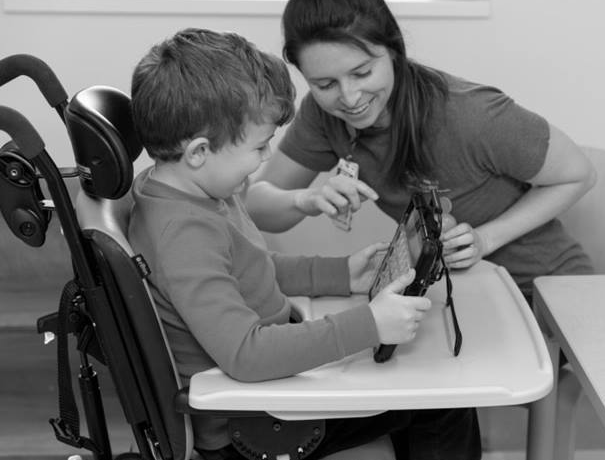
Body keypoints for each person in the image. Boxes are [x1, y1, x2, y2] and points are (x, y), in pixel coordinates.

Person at [127, 28, 481, 460]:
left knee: (422, 387)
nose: (264, 160)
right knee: (443, 402)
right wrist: (368, 324)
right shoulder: (183, 235)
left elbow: (250, 267)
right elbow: (246, 354)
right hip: (256, 424)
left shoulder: (187, 191)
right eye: (259, 147)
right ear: (200, 151)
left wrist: (339, 274)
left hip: (267, 393)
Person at [248, 0, 597, 300]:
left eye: (363, 72)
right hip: (468, 296)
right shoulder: (322, 115)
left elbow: (579, 174)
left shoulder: (469, 114)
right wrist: (305, 200)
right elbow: (255, 206)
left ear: (394, 51)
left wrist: (485, 239)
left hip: (551, 292)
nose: (350, 97)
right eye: (325, 84)